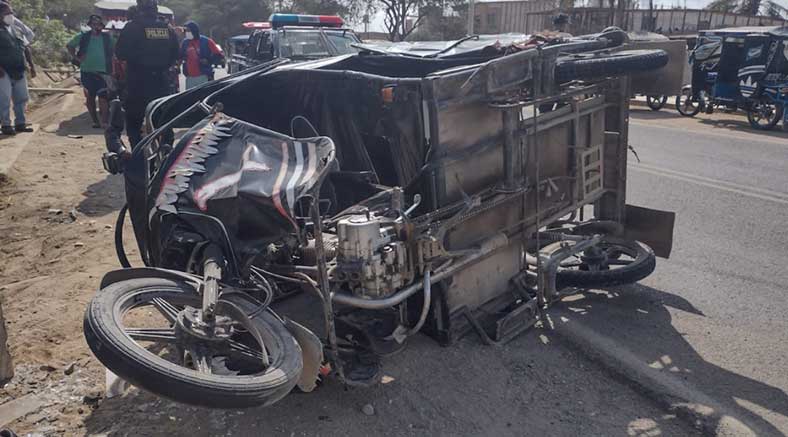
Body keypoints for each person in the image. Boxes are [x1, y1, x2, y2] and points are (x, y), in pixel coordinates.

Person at [115, 0, 178, 147]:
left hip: (137, 81)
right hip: (161, 81)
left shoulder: (132, 27)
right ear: (155, 8)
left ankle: (138, 156)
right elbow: (175, 53)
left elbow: (120, 53)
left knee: (134, 121)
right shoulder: (167, 28)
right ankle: (167, 153)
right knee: (163, 120)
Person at [67, 15, 114, 128]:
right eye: (93, 24)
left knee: (103, 96)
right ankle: (95, 121)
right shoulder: (83, 37)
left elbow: (117, 47)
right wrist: (76, 58)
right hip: (87, 71)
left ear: (102, 26)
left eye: (98, 24)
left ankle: (104, 122)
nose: (96, 26)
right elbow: (69, 45)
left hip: (103, 72)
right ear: (90, 25)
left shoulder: (107, 38)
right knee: (90, 96)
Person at [0, 3, 31, 135]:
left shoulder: (16, 29)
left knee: (22, 97)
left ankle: (20, 123)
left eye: (11, 12)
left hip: (19, 68)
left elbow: (26, 47)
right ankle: (6, 125)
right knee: (4, 98)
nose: (10, 15)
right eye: (7, 13)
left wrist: (31, 65)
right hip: (4, 70)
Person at [179, 21, 224, 89]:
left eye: (188, 30)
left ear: (194, 31)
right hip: (190, 77)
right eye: (185, 30)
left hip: (204, 76)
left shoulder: (207, 41)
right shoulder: (185, 42)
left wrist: (208, 60)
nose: (186, 32)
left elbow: (219, 55)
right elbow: (180, 56)